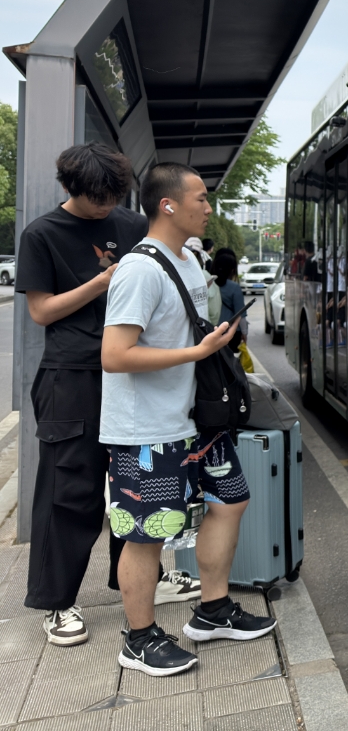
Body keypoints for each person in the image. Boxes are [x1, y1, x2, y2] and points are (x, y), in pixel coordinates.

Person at [16, 143, 201, 648]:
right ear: (69, 187)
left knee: (136, 483)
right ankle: (56, 601)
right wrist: (101, 283)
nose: (104, 207)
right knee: (69, 489)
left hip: (130, 374)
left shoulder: (132, 224)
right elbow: (41, 311)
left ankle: (141, 579)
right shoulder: (41, 234)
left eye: (112, 198)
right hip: (72, 376)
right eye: (95, 198)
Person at [100, 163, 275, 677]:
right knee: (147, 532)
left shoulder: (190, 261)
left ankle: (212, 611)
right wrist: (196, 351)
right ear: (168, 204)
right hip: (147, 429)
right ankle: (138, 640)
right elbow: (114, 354)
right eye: (200, 197)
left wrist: (211, 344)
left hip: (195, 419)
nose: (208, 207)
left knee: (231, 499)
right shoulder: (140, 269)